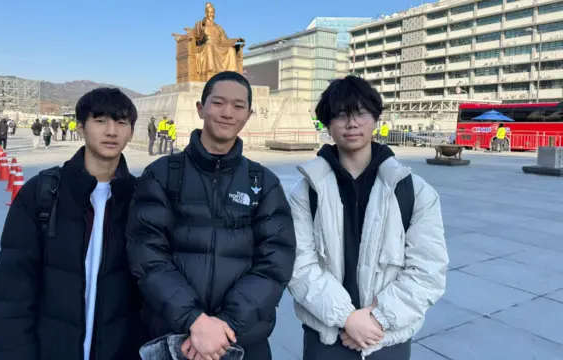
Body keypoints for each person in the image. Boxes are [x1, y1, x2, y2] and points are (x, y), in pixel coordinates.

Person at [126, 71, 296, 360]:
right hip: (173, 339)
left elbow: (276, 262)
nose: (227, 113)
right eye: (218, 103)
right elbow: (147, 254)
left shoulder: (263, 182)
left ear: (249, 114)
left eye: (238, 106)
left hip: (242, 341)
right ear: (200, 108)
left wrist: (225, 327)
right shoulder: (161, 175)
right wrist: (194, 321)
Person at [287, 75, 448, 360]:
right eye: (340, 115)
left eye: (361, 113)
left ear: (375, 117)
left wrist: (377, 319)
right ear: (328, 125)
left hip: (387, 336)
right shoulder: (306, 191)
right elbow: (299, 265)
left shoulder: (414, 191)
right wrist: (348, 318)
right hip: (325, 335)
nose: (352, 123)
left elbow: (428, 270)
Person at [0, 87, 149, 360]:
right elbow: (12, 294)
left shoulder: (140, 198)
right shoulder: (42, 193)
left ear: (131, 131)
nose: (111, 131)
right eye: (100, 121)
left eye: (121, 122)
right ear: (80, 128)